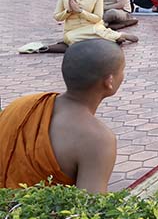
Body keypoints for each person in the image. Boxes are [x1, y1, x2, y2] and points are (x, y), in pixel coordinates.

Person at [0, 40, 124, 191]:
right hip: (33, 214)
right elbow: (90, 208)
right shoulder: (97, 138)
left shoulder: (21, 104)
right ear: (109, 81)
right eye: (122, 70)